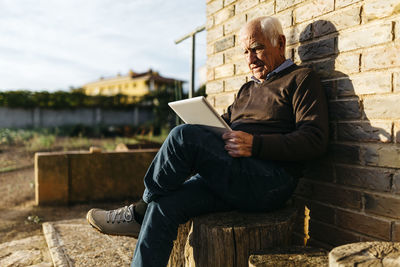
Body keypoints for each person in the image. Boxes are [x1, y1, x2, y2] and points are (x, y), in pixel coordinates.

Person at [86, 16, 329, 267]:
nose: (250, 58)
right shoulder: (247, 90)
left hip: (269, 181)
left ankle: (138, 212)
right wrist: (208, 122)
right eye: (245, 51)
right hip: (231, 175)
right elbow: (225, 123)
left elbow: (315, 140)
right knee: (164, 204)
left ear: (279, 43)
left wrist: (255, 144)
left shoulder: (301, 79)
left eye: (256, 48)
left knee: (182, 135)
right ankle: (147, 210)